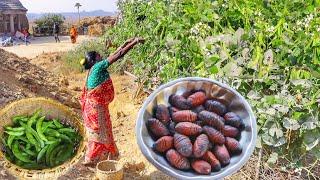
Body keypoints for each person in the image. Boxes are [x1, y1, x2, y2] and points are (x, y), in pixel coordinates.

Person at [80, 37, 145, 166]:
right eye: (98, 56)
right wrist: (134, 43)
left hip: (93, 107)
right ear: (94, 60)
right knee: (101, 132)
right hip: (96, 108)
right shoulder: (98, 67)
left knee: (99, 132)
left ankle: (100, 158)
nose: (101, 57)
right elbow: (117, 56)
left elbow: (114, 54)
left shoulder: (92, 69)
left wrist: (126, 42)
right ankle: (95, 159)